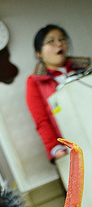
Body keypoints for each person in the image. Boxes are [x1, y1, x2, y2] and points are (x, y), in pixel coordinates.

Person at [26, 25, 90, 162]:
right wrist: (54, 147)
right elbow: (42, 120)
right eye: (51, 41)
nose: (59, 44)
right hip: (72, 146)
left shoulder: (86, 68)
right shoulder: (35, 82)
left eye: (62, 39)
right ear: (38, 52)